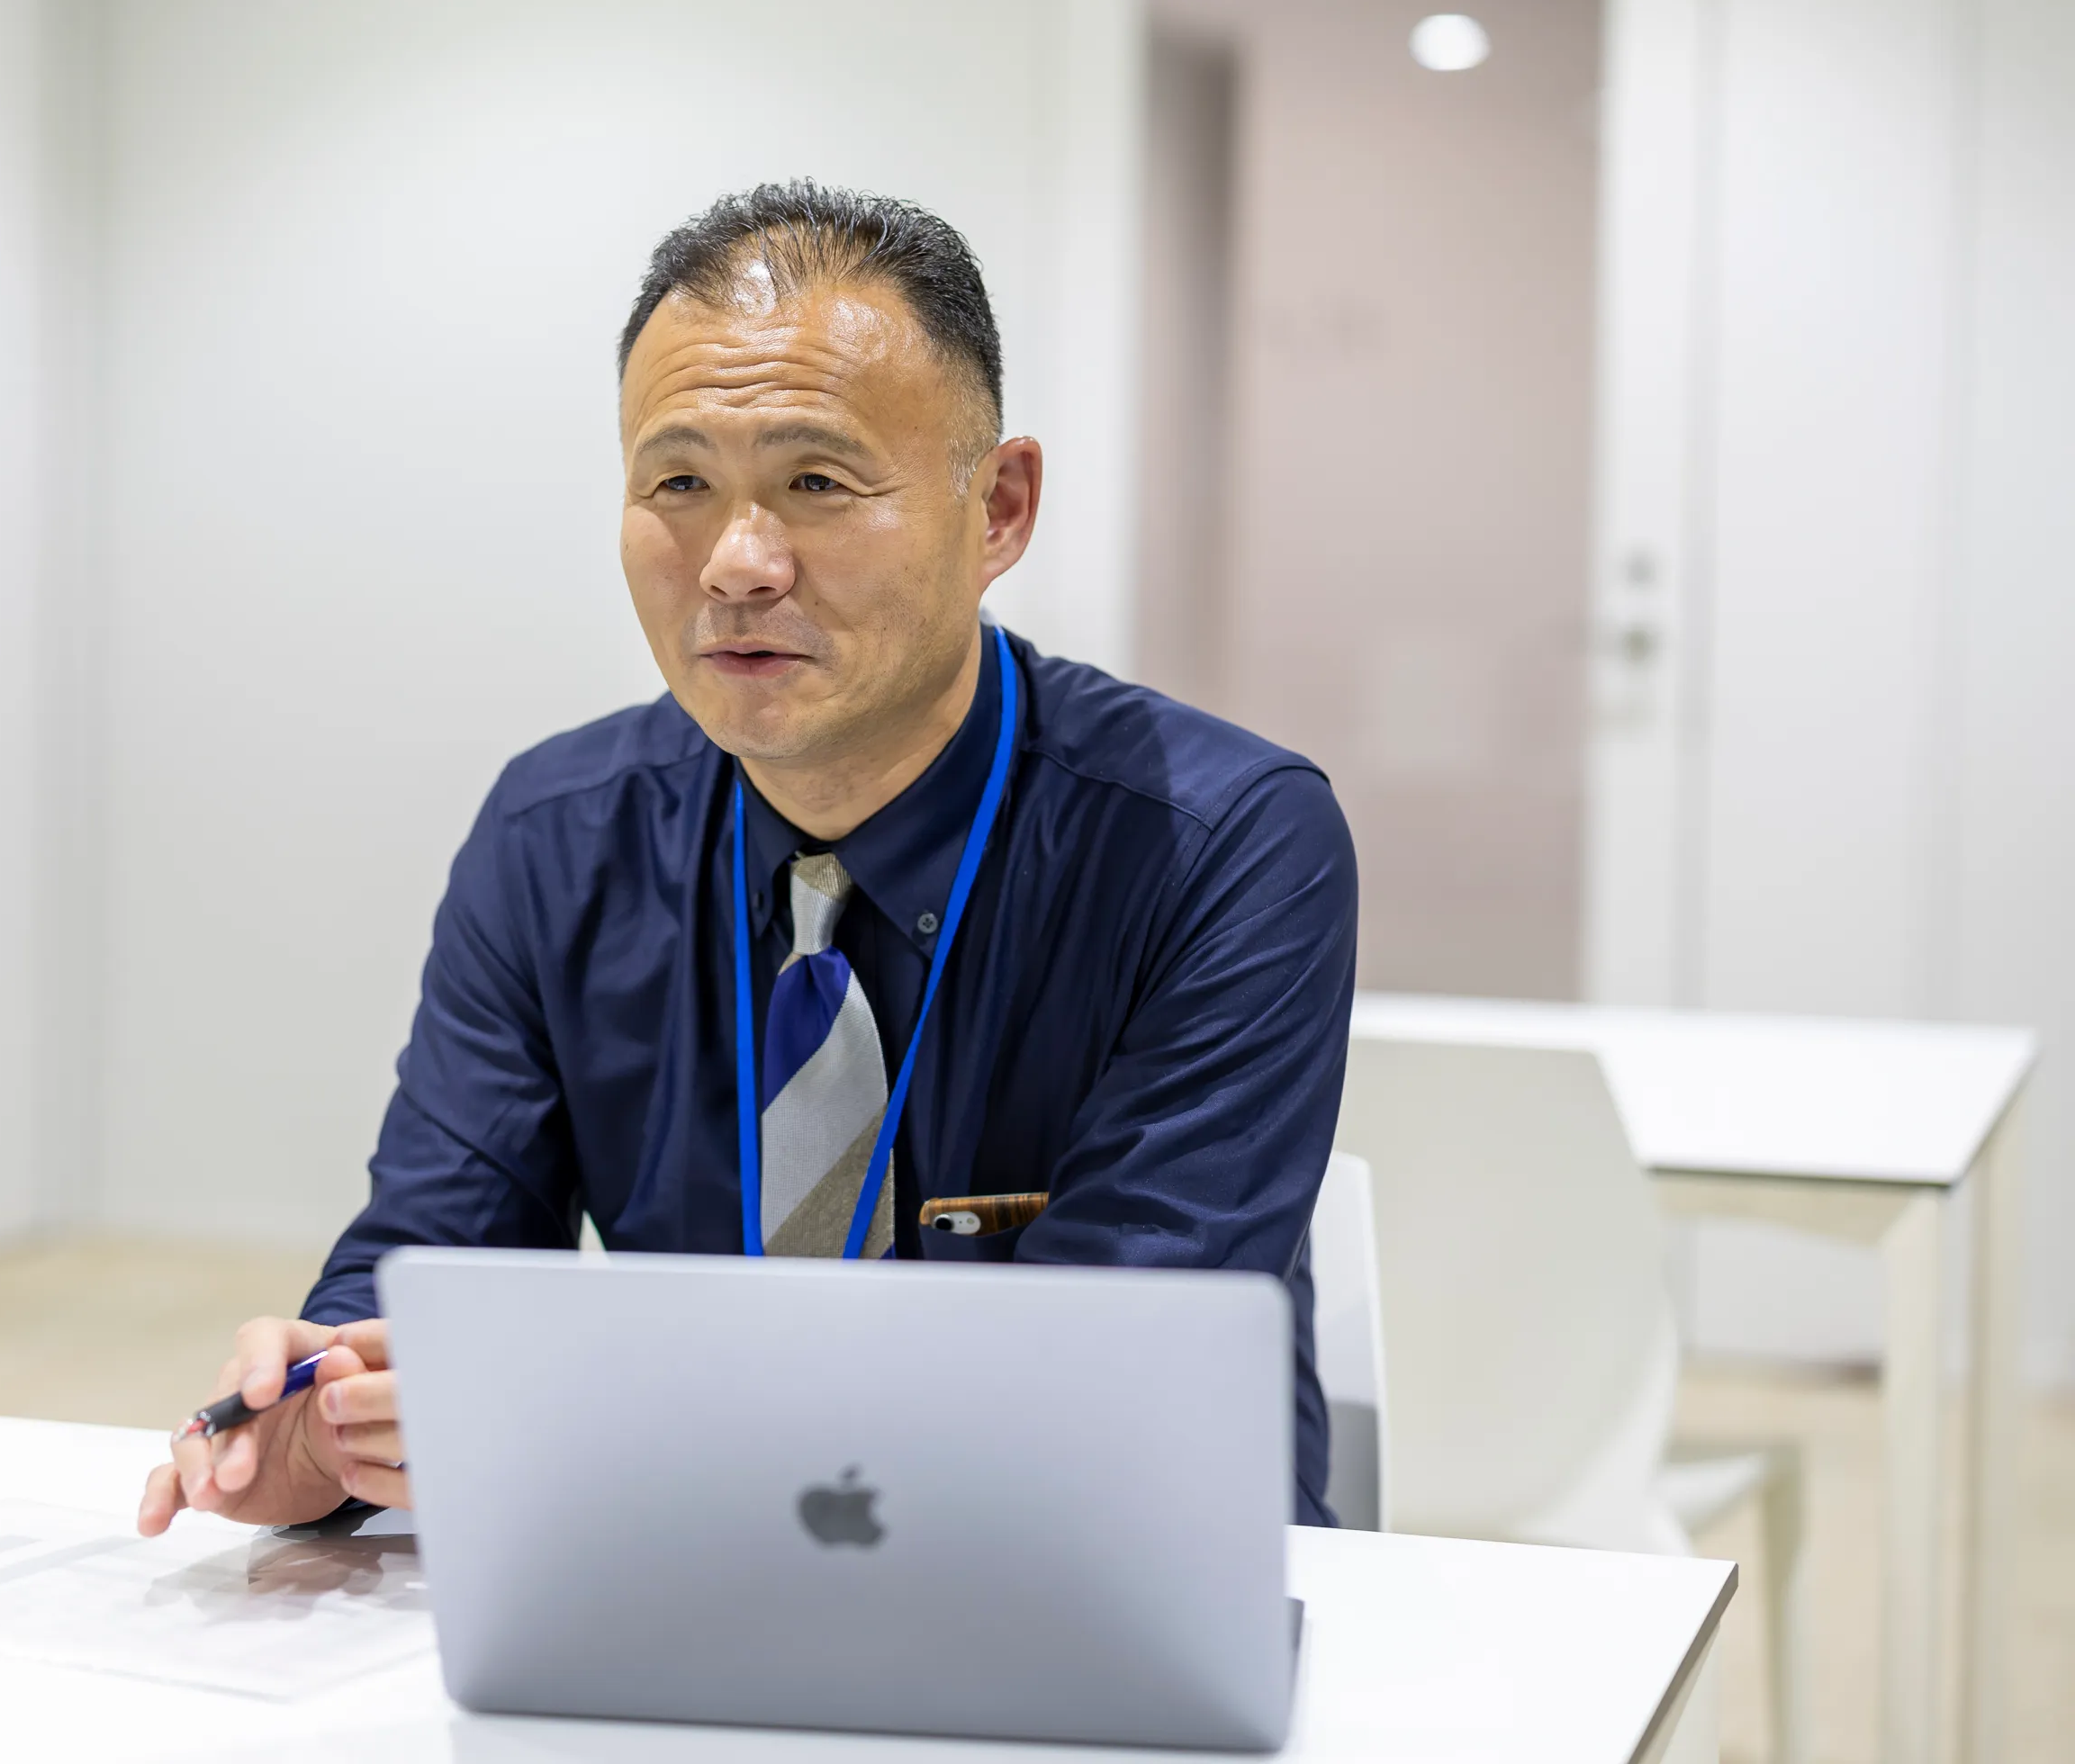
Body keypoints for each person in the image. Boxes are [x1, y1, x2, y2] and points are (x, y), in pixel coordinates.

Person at [138, 180, 1358, 1536]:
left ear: (1000, 510)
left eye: (816, 483)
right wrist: (328, 1412)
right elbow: (436, 1258)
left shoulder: (1220, 843)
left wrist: (583, 1416)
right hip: (689, 1563)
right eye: (678, 483)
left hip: (1117, 1568)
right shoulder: (556, 839)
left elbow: (1118, 1375)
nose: (736, 564)